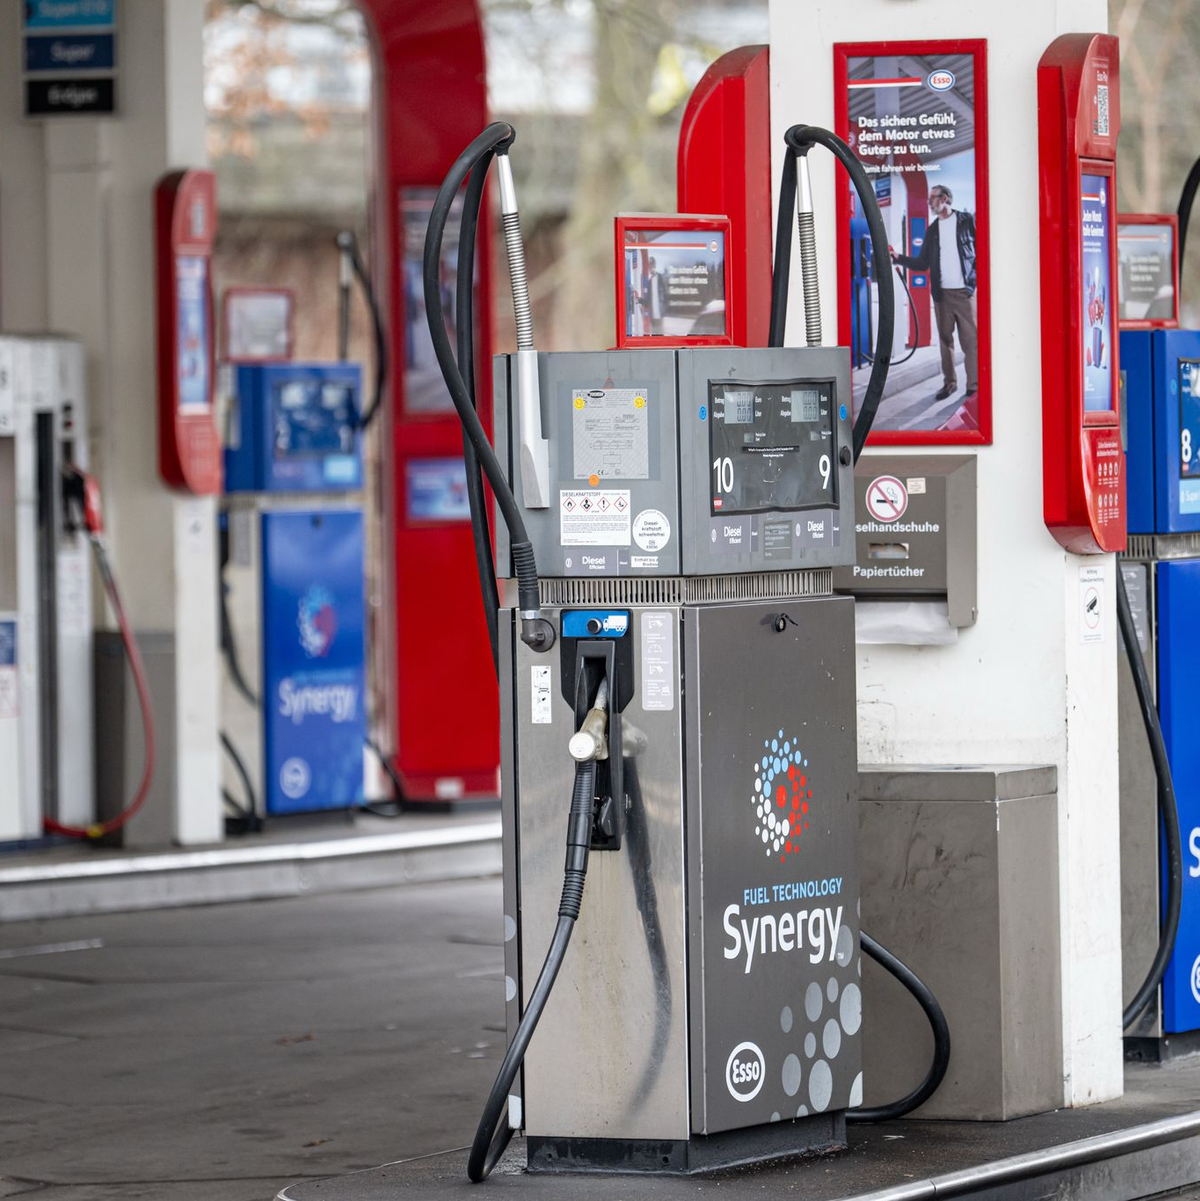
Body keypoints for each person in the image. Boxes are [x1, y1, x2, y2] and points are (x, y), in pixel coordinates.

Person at [890, 185, 977, 402]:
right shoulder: (933, 230)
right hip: (942, 296)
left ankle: (974, 386)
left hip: (965, 293)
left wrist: (974, 283)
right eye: (928, 199)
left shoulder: (967, 221)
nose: (929, 202)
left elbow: (981, 252)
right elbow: (922, 263)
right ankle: (950, 383)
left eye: (933, 198)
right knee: (946, 342)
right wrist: (898, 257)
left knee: (971, 342)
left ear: (945, 198)